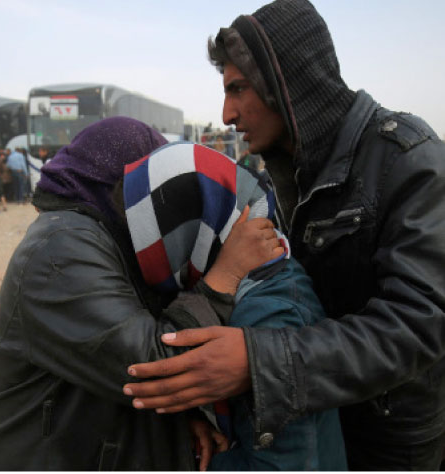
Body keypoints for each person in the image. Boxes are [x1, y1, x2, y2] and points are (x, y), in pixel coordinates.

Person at [123, 0, 445, 470]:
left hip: (387, 443)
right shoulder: (289, 173)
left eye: (238, 89)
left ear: (287, 82)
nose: (227, 113)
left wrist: (257, 363)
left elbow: (421, 325)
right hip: (313, 422)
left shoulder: (408, 160)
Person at [0, 117, 284, 470]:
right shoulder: (60, 249)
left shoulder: (101, 236)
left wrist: (177, 424)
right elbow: (154, 363)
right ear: (122, 182)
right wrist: (227, 273)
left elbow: (111, 360)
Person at [122, 141, 346, 470]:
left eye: (159, 228)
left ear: (193, 226)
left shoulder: (266, 310)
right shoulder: (263, 275)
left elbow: (285, 462)